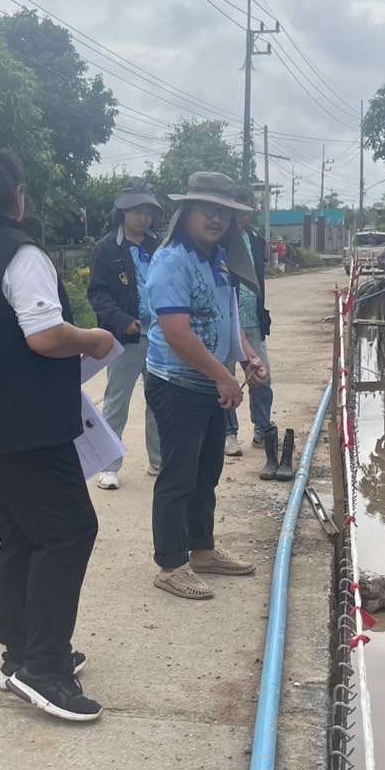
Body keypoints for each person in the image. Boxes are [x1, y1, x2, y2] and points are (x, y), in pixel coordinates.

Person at [0, 148, 114, 723]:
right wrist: (92, 338)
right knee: (68, 533)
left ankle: (20, 655)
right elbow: (45, 336)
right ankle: (45, 667)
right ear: (16, 195)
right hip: (27, 429)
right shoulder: (21, 252)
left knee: (20, 539)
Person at [145, 171, 268, 601]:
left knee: (206, 474)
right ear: (186, 212)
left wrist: (247, 357)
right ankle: (170, 564)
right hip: (177, 384)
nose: (216, 219)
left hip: (211, 384)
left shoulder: (217, 259)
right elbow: (176, 333)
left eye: (224, 213)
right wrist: (221, 375)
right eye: (207, 210)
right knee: (178, 476)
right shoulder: (171, 260)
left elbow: (227, 318)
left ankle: (202, 550)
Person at [86, 178, 163, 489]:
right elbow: (98, 293)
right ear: (123, 212)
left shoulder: (160, 245)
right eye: (136, 211)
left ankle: (159, 461)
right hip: (126, 338)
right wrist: (122, 321)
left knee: (158, 402)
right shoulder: (107, 248)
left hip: (160, 337)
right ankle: (108, 466)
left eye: (148, 212)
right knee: (116, 403)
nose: (143, 218)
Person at [224, 184, 276, 460]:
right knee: (225, 376)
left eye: (246, 212)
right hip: (225, 320)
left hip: (253, 319)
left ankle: (262, 427)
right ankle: (228, 433)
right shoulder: (219, 240)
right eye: (236, 211)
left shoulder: (256, 240)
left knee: (261, 375)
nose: (241, 217)